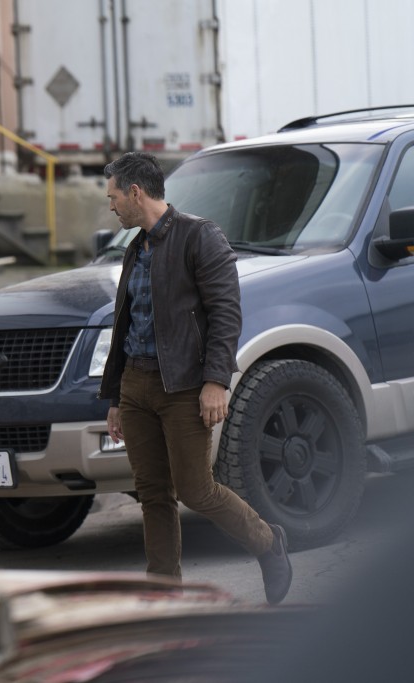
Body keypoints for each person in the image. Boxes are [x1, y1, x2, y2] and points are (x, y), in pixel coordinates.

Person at [97, 152, 292, 604]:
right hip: (135, 385)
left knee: (196, 490)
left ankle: (268, 542)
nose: (111, 207)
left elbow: (226, 313)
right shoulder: (135, 248)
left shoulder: (199, 237)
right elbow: (127, 324)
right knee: (152, 494)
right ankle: (164, 594)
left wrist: (216, 381)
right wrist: (114, 398)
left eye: (113, 197)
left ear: (135, 193)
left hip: (183, 386)